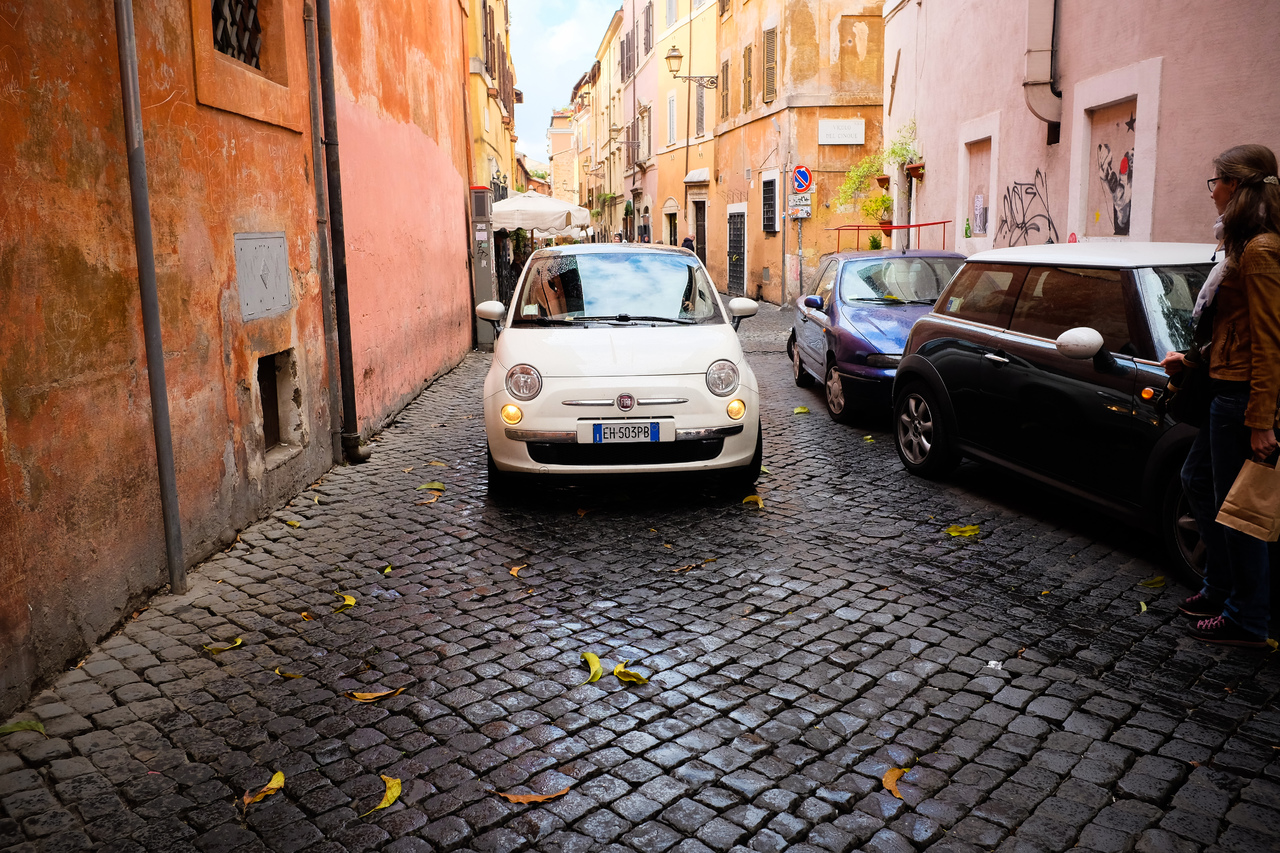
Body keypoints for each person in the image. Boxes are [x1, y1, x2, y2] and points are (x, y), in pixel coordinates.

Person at [1161, 144, 1280, 648]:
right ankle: (1221, 587)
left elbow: (1269, 340)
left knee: (1241, 510)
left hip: (1241, 400)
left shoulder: (1261, 251)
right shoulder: (1243, 246)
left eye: (1216, 183)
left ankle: (1247, 617)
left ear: (1237, 186)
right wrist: (1191, 361)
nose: (1213, 193)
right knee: (1199, 481)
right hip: (1225, 389)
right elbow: (1236, 331)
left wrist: (1260, 419)